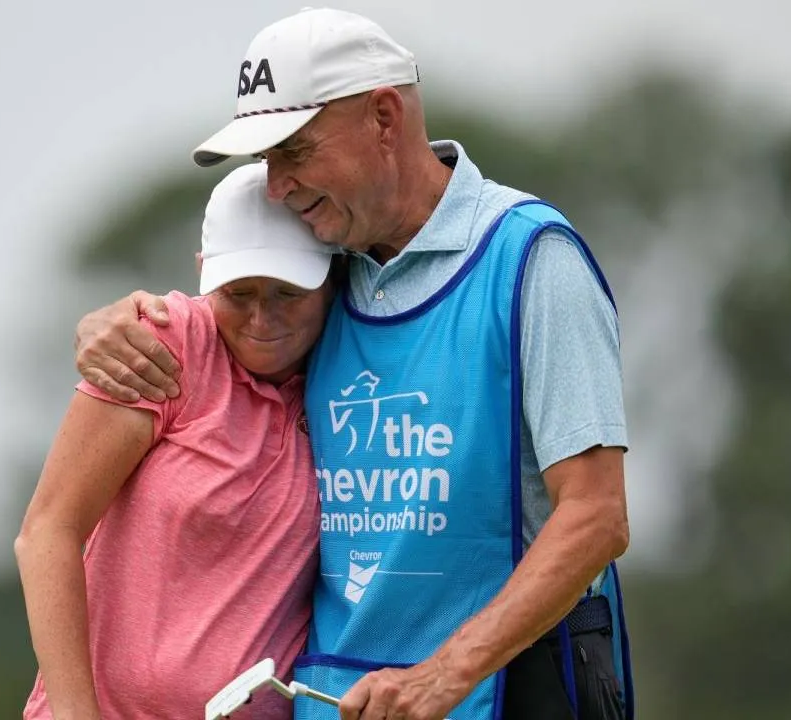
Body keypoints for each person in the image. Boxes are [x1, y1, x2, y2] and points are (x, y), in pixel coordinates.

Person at [73, 8, 635, 720]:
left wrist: (442, 675)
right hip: (336, 697)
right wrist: (109, 327)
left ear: (383, 118)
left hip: (507, 688)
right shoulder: (320, 274)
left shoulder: (531, 257)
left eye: (295, 151)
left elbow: (595, 516)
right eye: (266, 161)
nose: (275, 186)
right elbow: (220, 324)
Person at [14, 162, 342, 720]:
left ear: (331, 280)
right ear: (203, 272)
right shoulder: (168, 344)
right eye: (239, 293)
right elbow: (48, 531)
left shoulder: (351, 376)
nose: (262, 319)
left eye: (288, 293)